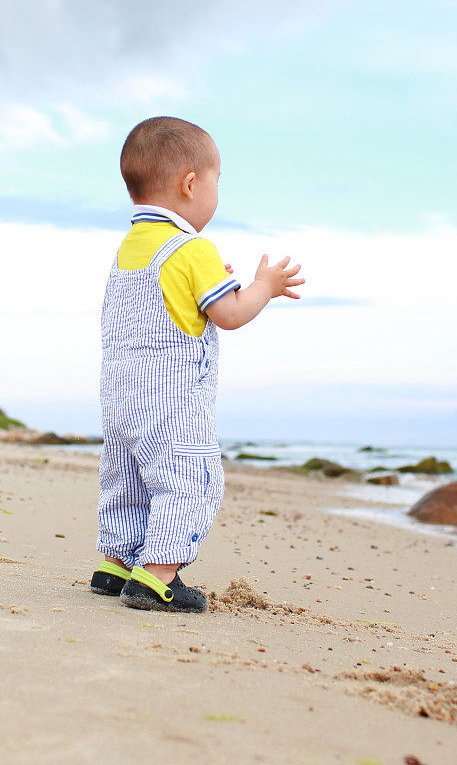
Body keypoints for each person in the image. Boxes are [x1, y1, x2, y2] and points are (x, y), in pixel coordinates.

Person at [89, 116, 303, 612]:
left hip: (120, 395)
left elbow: (170, 304)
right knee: (189, 475)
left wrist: (213, 283)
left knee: (127, 476)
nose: (216, 194)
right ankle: (157, 575)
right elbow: (228, 315)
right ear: (190, 183)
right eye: (217, 182)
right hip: (171, 397)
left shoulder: (129, 250)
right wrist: (263, 288)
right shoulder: (194, 248)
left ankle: (116, 562)